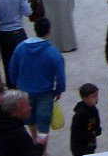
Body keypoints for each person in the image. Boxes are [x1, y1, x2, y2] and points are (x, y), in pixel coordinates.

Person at [7, 17, 65, 145]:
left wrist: (16, 83)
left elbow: (12, 69)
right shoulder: (53, 52)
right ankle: (42, 150)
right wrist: (59, 90)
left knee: (29, 118)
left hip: (24, 90)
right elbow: (60, 75)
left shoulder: (20, 48)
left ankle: (33, 140)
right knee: (43, 122)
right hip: (45, 92)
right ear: (49, 31)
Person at [0, 89, 47, 156]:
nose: (30, 108)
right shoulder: (17, 133)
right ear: (13, 112)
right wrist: (40, 145)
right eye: (26, 106)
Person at [70, 83, 101, 156]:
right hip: (79, 148)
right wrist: (91, 135)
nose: (96, 98)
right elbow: (76, 132)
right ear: (85, 99)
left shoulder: (94, 110)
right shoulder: (79, 114)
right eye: (93, 96)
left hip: (90, 145)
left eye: (97, 95)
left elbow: (97, 125)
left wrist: (97, 131)